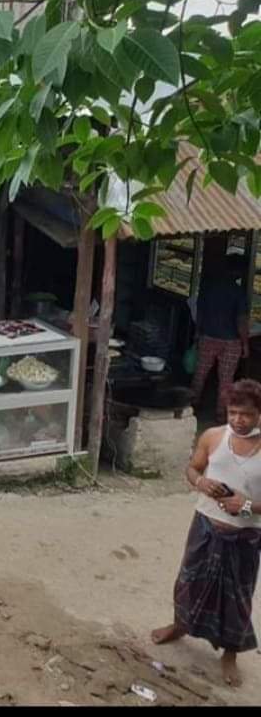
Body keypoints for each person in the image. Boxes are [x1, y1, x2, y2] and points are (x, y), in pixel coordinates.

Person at [152, 379, 261, 688]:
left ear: (259, 414)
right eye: (233, 412)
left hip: (245, 535)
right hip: (205, 524)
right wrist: (201, 483)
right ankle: (179, 625)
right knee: (189, 580)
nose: (239, 420)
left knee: (237, 596)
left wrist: (246, 505)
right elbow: (193, 469)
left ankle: (230, 653)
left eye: (247, 414)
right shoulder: (213, 437)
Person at [192, 255, 250, 423]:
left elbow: (200, 312)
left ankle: (192, 404)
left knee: (200, 373)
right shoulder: (239, 292)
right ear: (239, 272)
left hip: (207, 336)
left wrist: (197, 333)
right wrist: (245, 343)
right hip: (231, 342)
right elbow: (241, 321)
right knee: (226, 380)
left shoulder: (209, 287)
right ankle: (220, 414)